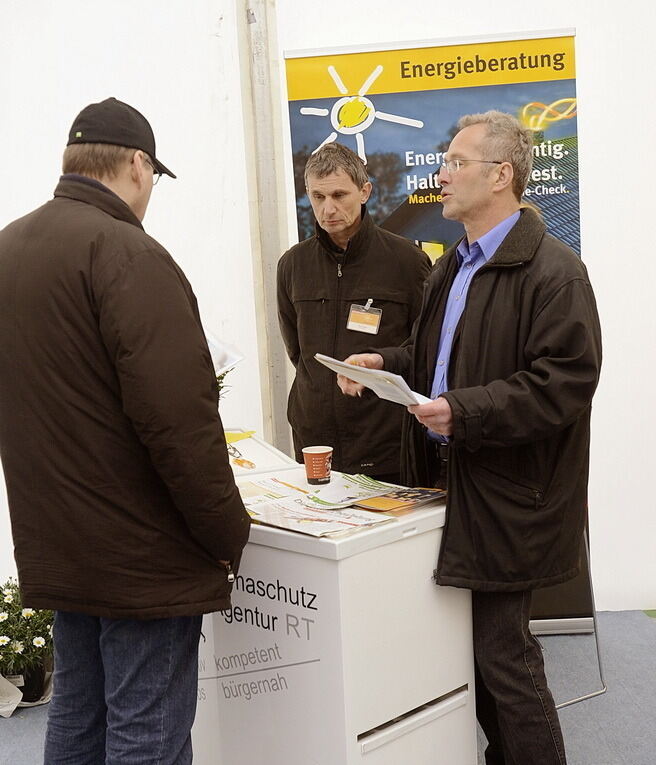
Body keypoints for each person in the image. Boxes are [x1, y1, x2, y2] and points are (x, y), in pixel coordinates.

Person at [338, 111, 602, 764]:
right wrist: (388, 364)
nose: (442, 173)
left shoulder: (554, 272)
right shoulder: (455, 263)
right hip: (449, 486)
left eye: (456, 161)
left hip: (510, 500)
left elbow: (563, 382)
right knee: (472, 659)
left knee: (503, 659)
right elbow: (440, 355)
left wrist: (465, 411)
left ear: (501, 175)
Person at [0, 98, 251, 764]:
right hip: (142, 557)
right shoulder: (125, 252)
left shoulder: (10, 246)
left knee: (78, 717)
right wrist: (229, 532)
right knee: (146, 731)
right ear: (139, 166)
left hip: (62, 540)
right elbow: (179, 422)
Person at [277, 142, 431, 482]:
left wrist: (376, 362)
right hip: (314, 443)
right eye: (317, 197)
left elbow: (425, 348)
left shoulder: (406, 261)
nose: (328, 208)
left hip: (384, 443)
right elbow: (297, 350)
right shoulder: (293, 264)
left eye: (339, 195)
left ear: (365, 191)